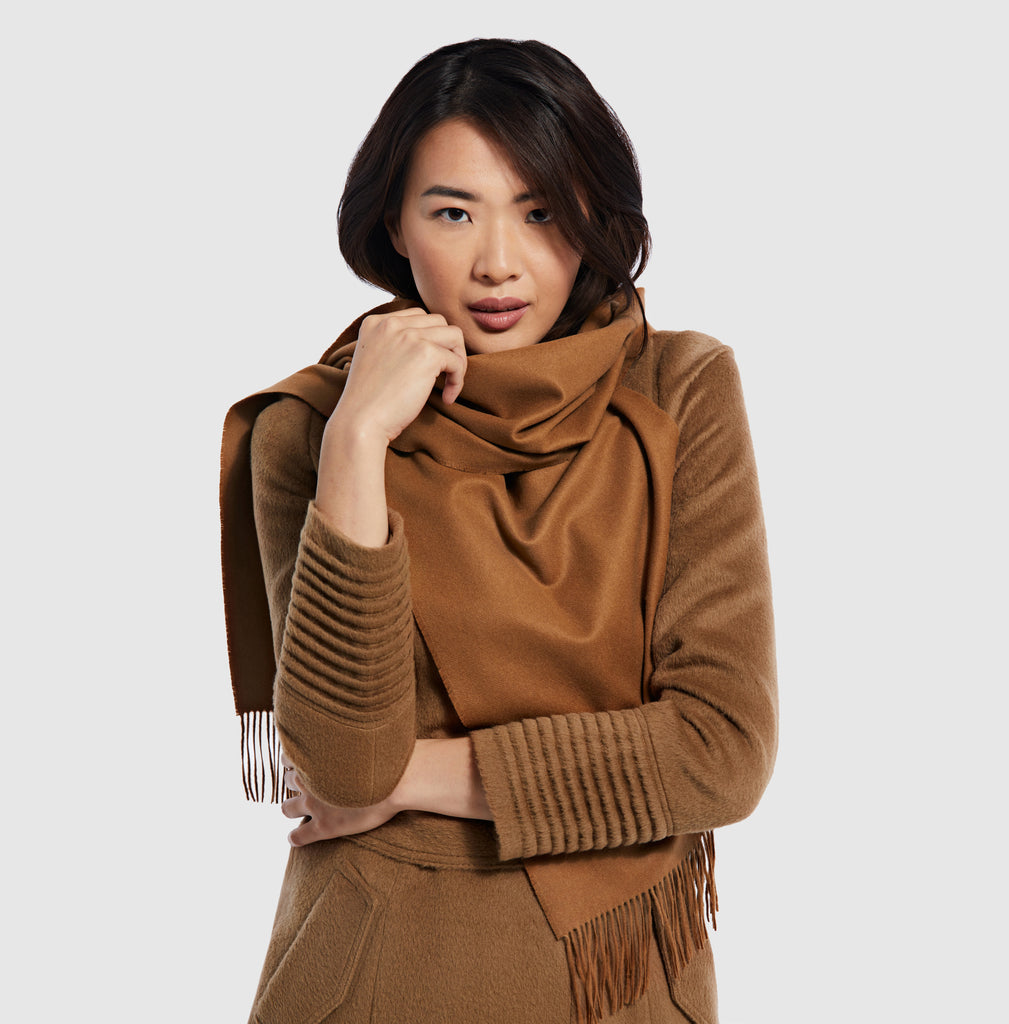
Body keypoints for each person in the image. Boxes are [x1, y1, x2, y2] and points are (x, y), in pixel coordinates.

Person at [220, 37, 777, 1024]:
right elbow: (343, 764)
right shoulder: (311, 428)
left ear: (594, 213)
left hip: (619, 983)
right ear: (393, 223)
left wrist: (414, 776)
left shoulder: (677, 390)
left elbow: (720, 750)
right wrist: (358, 440)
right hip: (378, 975)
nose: (498, 262)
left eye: (540, 210)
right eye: (453, 212)